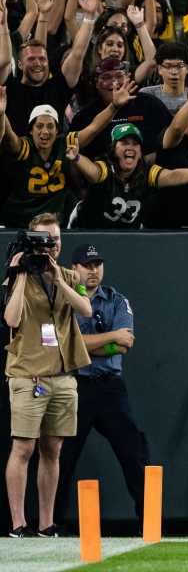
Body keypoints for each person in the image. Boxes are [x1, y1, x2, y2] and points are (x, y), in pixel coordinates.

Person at [3, 214, 93, 537]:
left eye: (53, 240)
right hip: (29, 375)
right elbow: (10, 318)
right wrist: (23, 275)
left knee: (52, 450)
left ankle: (46, 522)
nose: (48, 247)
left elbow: (86, 309)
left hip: (62, 375)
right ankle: (18, 523)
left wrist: (59, 280)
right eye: (41, 241)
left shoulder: (69, 274)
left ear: (60, 243)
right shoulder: (18, 274)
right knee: (23, 448)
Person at [54, 244, 148, 526]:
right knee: (62, 457)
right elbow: (66, 344)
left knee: (135, 451)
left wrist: (84, 345)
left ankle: (149, 521)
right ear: (74, 269)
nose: (93, 270)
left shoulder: (116, 300)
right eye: (87, 265)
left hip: (110, 386)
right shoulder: (63, 300)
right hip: (75, 386)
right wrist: (109, 338)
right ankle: (50, 523)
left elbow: (126, 343)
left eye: (97, 264)